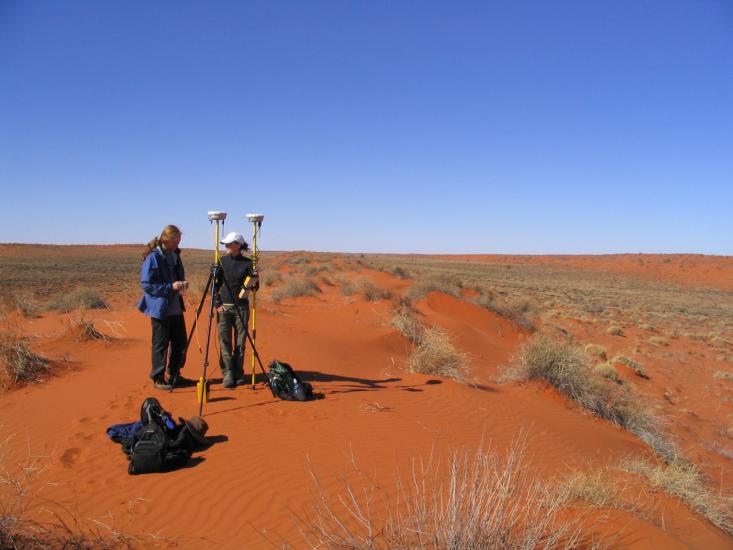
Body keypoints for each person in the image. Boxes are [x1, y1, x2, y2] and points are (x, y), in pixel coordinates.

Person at [137, 225, 193, 390]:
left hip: (175, 307)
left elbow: (177, 276)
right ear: (167, 240)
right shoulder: (153, 257)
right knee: (160, 344)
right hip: (160, 309)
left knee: (180, 343)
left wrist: (181, 285)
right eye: (175, 241)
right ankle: (158, 378)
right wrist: (170, 287)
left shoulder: (175, 256)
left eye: (179, 241)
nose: (178, 244)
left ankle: (174, 374)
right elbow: (147, 284)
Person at [214, 232, 259, 388]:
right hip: (224, 307)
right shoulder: (220, 261)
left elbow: (255, 288)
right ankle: (227, 373)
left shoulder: (248, 264)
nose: (226, 247)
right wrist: (217, 303)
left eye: (229, 244)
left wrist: (254, 278)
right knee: (225, 342)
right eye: (225, 244)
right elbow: (214, 286)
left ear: (238, 245)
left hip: (241, 307)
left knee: (240, 343)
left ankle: (239, 372)